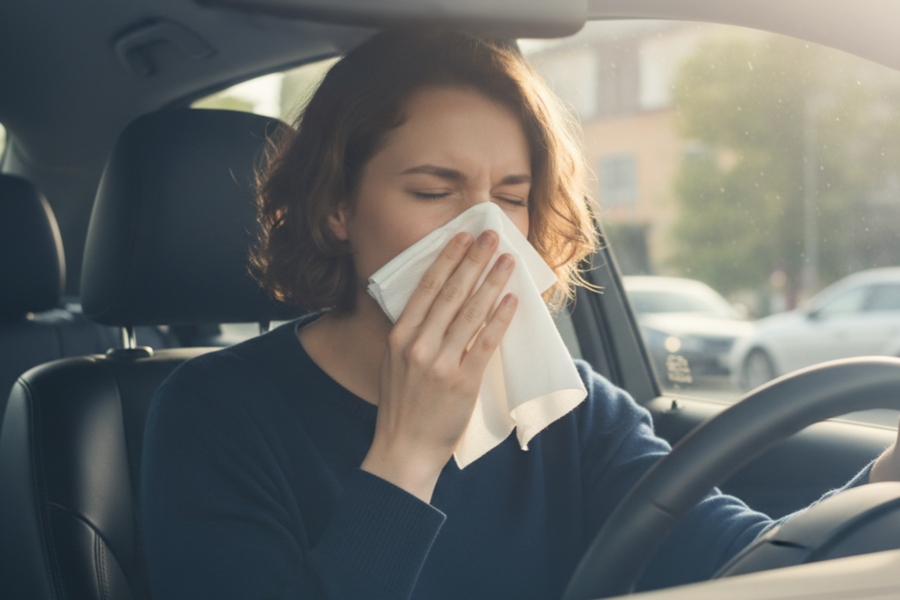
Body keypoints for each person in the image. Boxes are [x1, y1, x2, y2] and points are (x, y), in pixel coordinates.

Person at [140, 29, 900, 600]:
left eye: (510, 197)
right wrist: (408, 453)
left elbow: (742, 564)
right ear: (337, 207)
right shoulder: (214, 414)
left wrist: (884, 482)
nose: (488, 234)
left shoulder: (566, 405)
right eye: (434, 191)